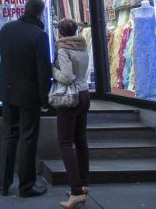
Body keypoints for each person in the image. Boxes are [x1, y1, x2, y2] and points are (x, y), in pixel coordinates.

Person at [0, 0, 52, 198]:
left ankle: (3, 183)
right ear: (39, 13)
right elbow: (43, 71)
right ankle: (26, 186)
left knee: (9, 135)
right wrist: (45, 99)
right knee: (28, 138)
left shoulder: (6, 30)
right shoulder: (39, 35)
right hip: (29, 95)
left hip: (7, 92)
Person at [54, 18, 91, 208]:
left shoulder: (63, 48)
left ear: (60, 32)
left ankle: (76, 192)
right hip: (85, 94)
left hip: (70, 97)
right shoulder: (82, 45)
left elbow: (67, 77)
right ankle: (83, 184)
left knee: (65, 143)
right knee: (81, 141)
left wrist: (53, 71)